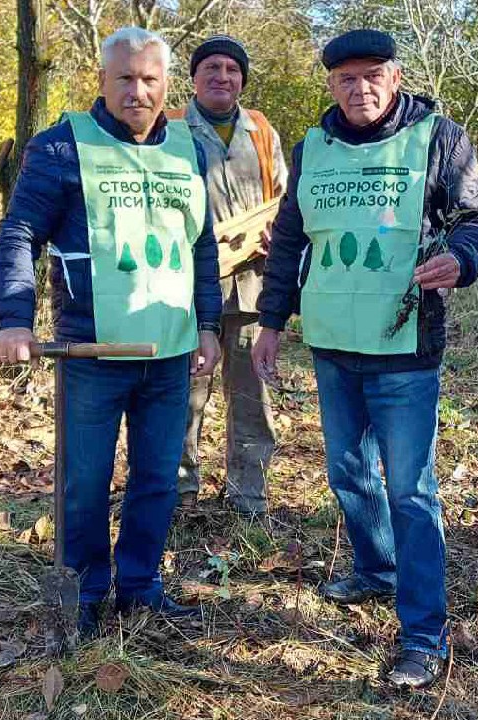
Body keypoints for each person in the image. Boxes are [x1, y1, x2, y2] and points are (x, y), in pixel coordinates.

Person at [251, 29, 478, 688]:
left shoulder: (439, 138)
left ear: (394, 78)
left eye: (372, 76)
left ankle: (423, 633)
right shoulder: (312, 151)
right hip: (333, 345)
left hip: (405, 348)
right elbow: (288, 243)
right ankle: (375, 569)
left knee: (410, 491)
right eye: (345, 79)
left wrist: (465, 257)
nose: (359, 89)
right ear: (330, 85)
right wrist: (272, 322)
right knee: (348, 473)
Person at [0, 27, 222, 640]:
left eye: (150, 79)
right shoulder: (62, 148)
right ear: (102, 80)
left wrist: (208, 324)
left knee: (157, 478)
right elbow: (19, 234)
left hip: (170, 352)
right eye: (124, 78)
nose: (137, 91)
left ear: (166, 85)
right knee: (84, 482)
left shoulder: (187, 149)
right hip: (91, 352)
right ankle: (86, 591)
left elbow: (200, 243)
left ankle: (141, 587)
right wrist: (14, 318)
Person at [167, 35, 287, 515]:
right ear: (194, 78)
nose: (222, 77)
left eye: (232, 70)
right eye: (211, 68)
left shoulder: (260, 130)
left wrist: (278, 233)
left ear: (242, 79)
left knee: (252, 394)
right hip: (189, 287)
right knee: (184, 391)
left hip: (252, 284)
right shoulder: (171, 127)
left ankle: (248, 494)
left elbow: (283, 195)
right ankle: (178, 492)